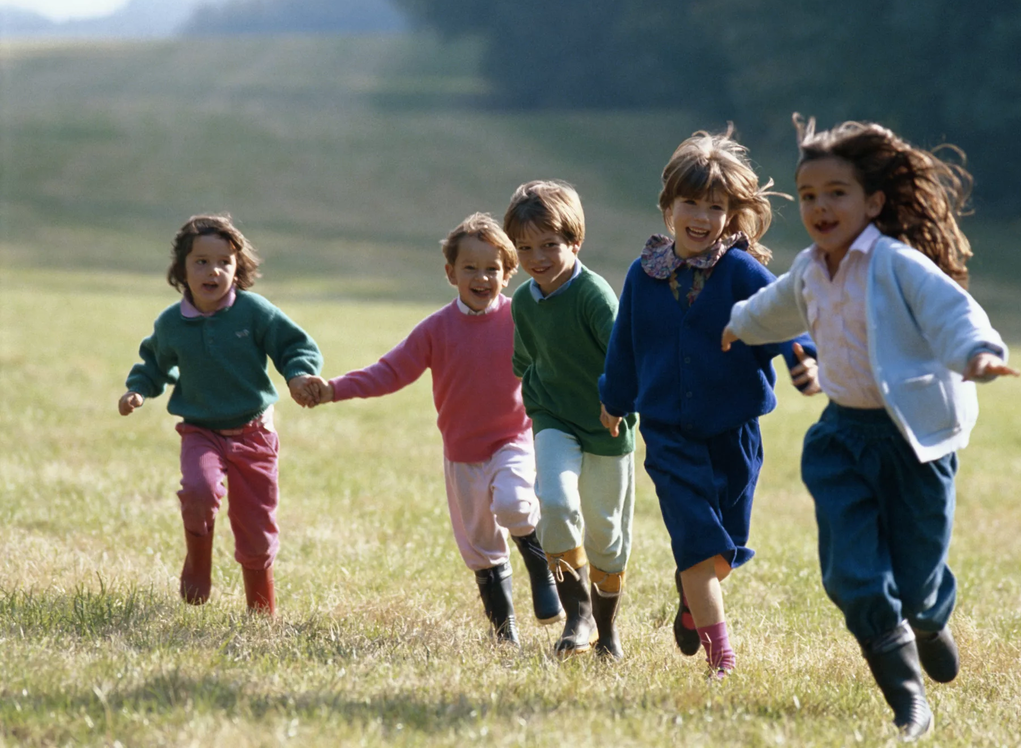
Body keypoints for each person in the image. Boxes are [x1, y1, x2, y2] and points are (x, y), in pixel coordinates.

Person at [722, 115, 1019, 740]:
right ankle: (908, 702)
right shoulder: (809, 267)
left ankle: (930, 617)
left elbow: (952, 313)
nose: (820, 207)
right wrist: (739, 322)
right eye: (808, 196)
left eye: (836, 193)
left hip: (914, 441)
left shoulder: (897, 264)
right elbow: (776, 305)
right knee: (852, 576)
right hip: (843, 439)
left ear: (873, 201)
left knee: (916, 579)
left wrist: (978, 353)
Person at [598, 127, 817, 679]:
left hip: (734, 433)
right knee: (697, 547)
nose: (700, 215)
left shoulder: (741, 272)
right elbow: (625, 343)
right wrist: (615, 399)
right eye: (690, 203)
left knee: (726, 551)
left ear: (732, 213)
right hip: (669, 434)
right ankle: (723, 661)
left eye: (715, 206)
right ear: (668, 206)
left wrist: (802, 358)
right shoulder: (642, 275)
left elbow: (785, 315)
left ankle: (691, 604)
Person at [299, 213, 563, 645]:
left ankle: (540, 571)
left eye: (492, 269)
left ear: (509, 272)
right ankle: (504, 631)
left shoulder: (522, 318)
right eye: (470, 268)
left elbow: (559, 362)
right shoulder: (437, 329)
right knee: (480, 547)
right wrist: (332, 390)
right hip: (462, 452)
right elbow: (389, 372)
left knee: (516, 504)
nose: (482, 278)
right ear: (450, 273)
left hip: (513, 439)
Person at [119, 213, 323, 617]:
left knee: (256, 526)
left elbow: (294, 345)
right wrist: (138, 390)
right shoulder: (171, 323)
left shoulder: (254, 312)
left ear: (238, 269)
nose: (213, 270)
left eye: (224, 262)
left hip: (254, 432)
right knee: (198, 490)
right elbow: (154, 363)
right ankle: (198, 560)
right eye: (201, 261)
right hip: (201, 430)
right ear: (182, 269)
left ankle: (260, 609)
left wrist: (299, 374)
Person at [504, 180, 636, 660]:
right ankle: (576, 611)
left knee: (606, 535)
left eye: (549, 245)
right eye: (524, 248)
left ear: (574, 242)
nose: (536, 258)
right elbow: (526, 360)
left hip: (607, 425)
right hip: (554, 417)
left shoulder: (594, 295)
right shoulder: (522, 301)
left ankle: (607, 628)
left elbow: (627, 356)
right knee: (555, 506)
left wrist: (617, 400)